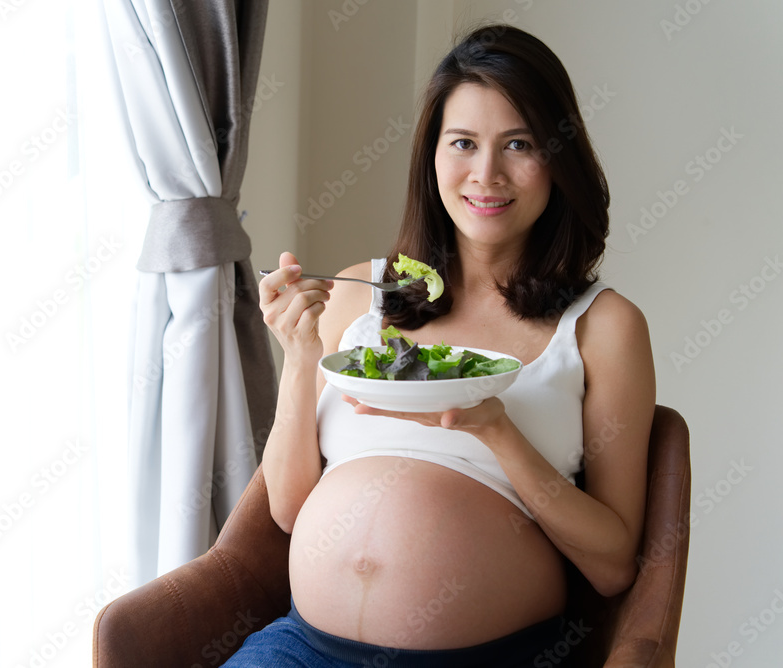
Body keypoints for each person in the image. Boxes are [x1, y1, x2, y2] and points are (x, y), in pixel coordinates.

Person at [228, 24, 655, 667]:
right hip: (304, 647)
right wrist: (298, 355)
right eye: (463, 143)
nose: (487, 174)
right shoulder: (357, 294)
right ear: (433, 156)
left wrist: (498, 431)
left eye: (519, 144)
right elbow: (289, 510)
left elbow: (614, 564)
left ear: (558, 159)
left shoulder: (602, 326)